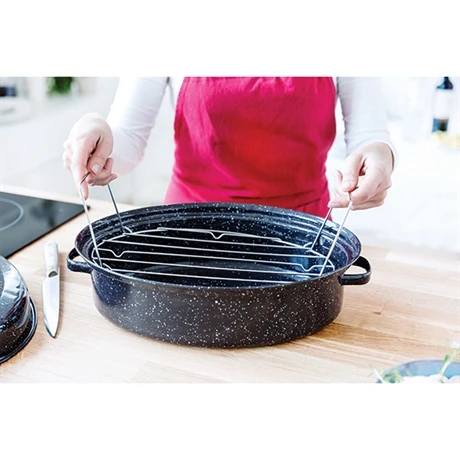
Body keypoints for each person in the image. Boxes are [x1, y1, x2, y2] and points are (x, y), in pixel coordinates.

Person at [63, 77, 395, 218]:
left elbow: (369, 136)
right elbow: (126, 139)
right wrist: (98, 137)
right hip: (190, 230)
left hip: (303, 234)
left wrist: (379, 157)